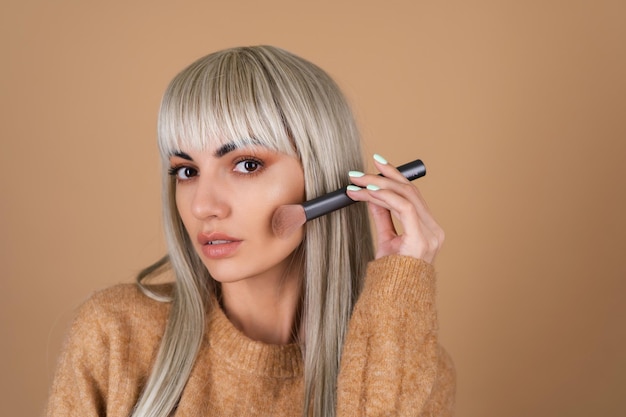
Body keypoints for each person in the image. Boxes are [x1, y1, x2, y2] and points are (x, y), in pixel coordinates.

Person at [46, 45, 455, 417]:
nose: (203, 205)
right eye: (186, 171)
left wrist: (397, 293)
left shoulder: (411, 363)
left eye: (246, 165)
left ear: (321, 178)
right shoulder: (115, 334)